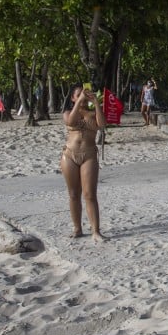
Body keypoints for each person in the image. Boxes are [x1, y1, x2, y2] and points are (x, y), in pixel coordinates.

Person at [61, 83, 106, 241]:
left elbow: (102, 125)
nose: (83, 96)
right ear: (73, 98)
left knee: (89, 194)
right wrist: (79, 101)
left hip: (89, 154)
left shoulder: (93, 113)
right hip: (70, 155)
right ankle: (77, 228)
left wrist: (96, 104)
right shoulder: (68, 112)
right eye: (79, 94)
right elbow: (71, 122)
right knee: (73, 194)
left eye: (85, 93)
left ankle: (96, 231)